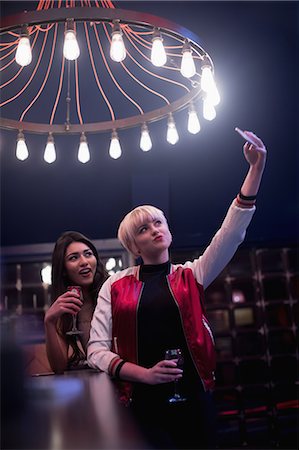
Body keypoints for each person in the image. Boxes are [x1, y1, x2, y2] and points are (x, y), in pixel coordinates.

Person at [87, 131, 267, 449]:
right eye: (144, 228)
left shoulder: (190, 275)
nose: (155, 229)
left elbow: (232, 232)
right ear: (133, 245)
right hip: (138, 405)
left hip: (195, 400)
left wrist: (256, 167)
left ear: (168, 229)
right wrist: (144, 374)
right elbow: (96, 351)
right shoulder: (114, 285)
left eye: (159, 222)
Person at [44, 231, 108, 374]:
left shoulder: (111, 291)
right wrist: (49, 322)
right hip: (100, 380)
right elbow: (58, 367)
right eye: (74, 258)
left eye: (88, 254)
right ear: (64, 270)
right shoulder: (67, 306)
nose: (84, 262)